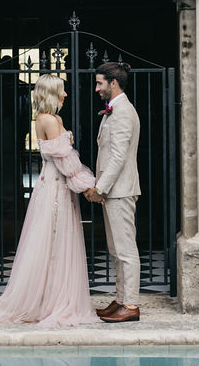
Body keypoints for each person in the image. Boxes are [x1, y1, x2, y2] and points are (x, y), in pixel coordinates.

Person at [0, 74, 99, 327]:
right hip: (55, 187)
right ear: (52, 94)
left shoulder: (55, 119)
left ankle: (51, 296)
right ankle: (50, 301)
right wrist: (88, 185)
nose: (66, 95)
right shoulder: (48, 120)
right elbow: (65, 161)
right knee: (52, 240)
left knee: (57, 241)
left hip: (57, 185)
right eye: (62, 91)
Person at [84, 61, 141, 323]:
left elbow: (118, 156)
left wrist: (100, 187)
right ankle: (120, 299)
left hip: (120, 190)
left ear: (113, 83)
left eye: (99, 83)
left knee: (126, 249)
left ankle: (130, 304)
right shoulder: (114, 111)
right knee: (116, 249)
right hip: (113, 191)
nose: (97, 89)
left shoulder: (123, 112)